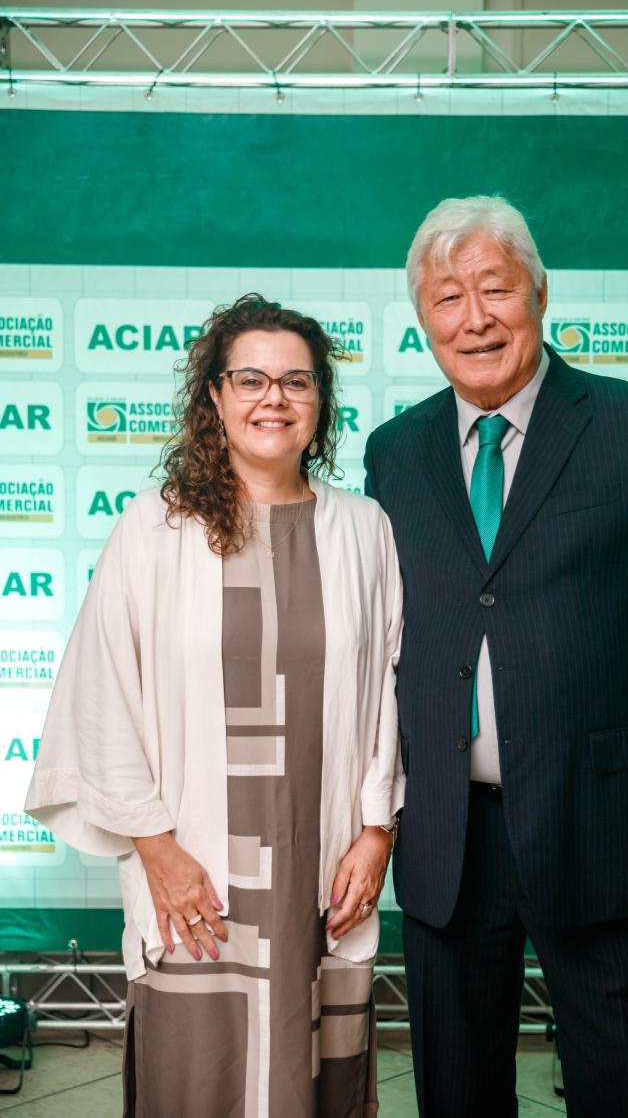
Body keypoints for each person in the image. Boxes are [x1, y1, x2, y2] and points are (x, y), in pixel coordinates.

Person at [364, 195, 628, 1117]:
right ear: (423, 322)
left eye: (495, 289)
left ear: (539, 294)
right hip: (449, 836)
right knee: (456, 1095)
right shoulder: (394, 453)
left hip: (604, 828)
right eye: (448, 298)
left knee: (623, 1090)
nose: (475, 318)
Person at [25, 294, 403, 1118]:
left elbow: (390, 692)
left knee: (316, 1076)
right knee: (197, 1082)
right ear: (215, 398)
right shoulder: (152, 531)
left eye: (297, 381)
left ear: (320, 400)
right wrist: (156, 848)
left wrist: (378, 831)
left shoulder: (365, 531)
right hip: (195, 876)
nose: (275, 398)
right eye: (251, 379)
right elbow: (101, 694)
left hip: (322, 873)